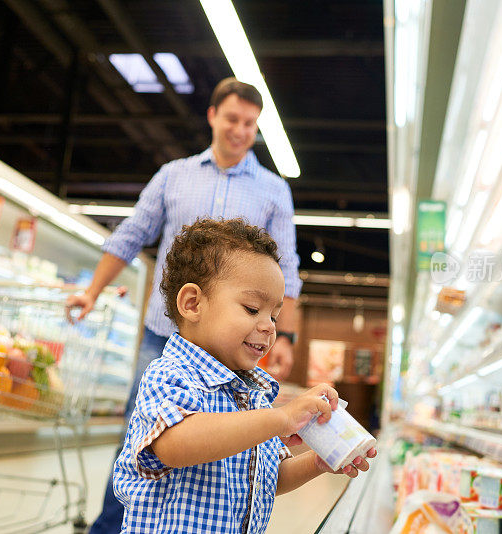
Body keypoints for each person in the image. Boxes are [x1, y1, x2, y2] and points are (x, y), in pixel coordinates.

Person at [65, 78, 302, 533]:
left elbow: (285, 271)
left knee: (237, 443)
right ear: (213, 116)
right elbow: (133, 234)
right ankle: (113, 527)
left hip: (231, 348)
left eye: (250, 124)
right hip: (164, 333)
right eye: (233, 119)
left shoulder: (274, 191)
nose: (240, 130)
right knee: (146, 438)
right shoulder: (174, 175)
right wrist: (91, 291)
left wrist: (282, 332)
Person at [113, 218, 377, 533]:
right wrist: (280, 419)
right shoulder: (170, 373)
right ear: (193, 304)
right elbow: (175, 444)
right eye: (252, 309)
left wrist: (319, 461)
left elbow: (266, 479)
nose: (269, 326)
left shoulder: (251, 393)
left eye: (274, 315)